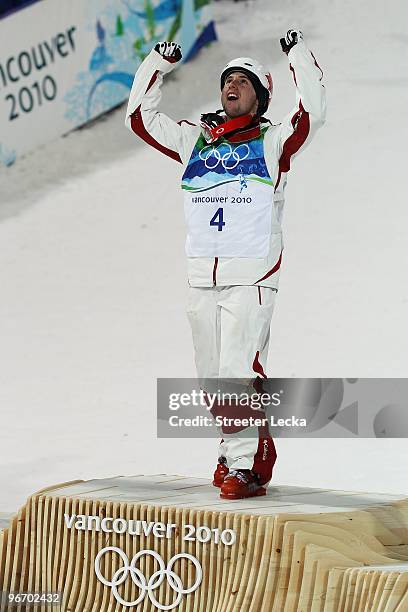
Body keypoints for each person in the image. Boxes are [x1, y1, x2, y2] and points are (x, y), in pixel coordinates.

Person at [125, 30, 326, 499]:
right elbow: (139, 118)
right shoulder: (194, 141)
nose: (231, 86)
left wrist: (298, 54)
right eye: (227, 80)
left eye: (243, 81)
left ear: (259, 97)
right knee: (211, 377)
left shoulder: (272, 142)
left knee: (237, 369)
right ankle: (233, 450)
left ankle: (245, 465)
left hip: (251, 277)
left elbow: (313, 113)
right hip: (201, 277)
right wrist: (156, 62)